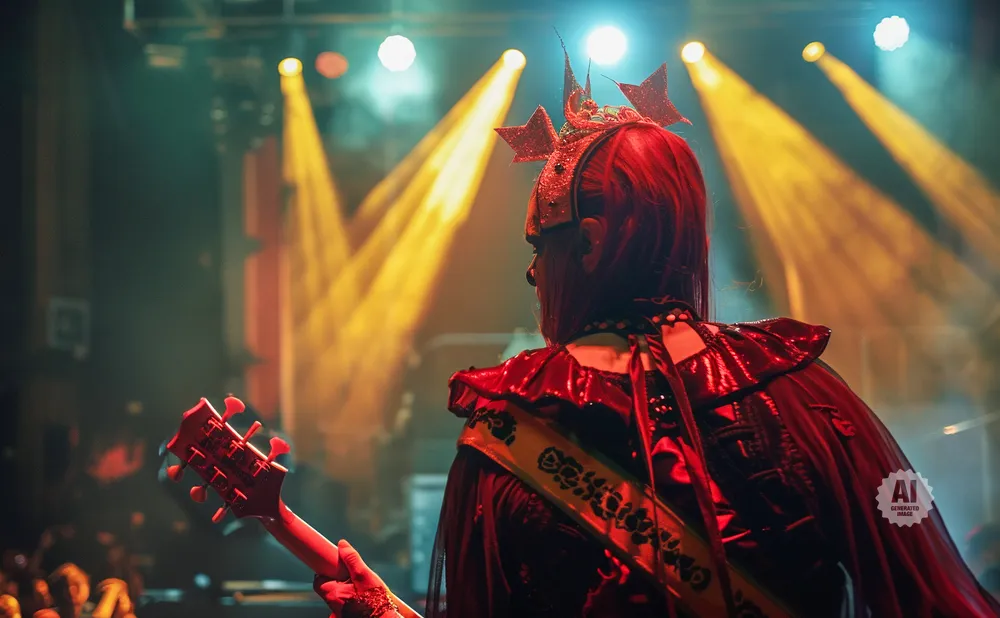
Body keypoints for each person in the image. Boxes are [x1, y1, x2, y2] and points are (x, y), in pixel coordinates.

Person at [315, 52, 1000, 617]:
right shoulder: (805, 397)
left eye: (539, 253)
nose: (534, 277)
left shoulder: (511, 421)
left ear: (588, 243)